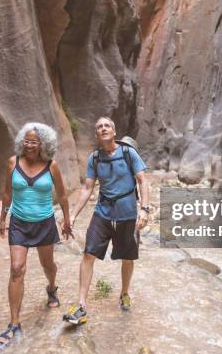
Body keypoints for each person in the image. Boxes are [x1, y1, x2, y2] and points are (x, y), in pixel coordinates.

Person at [63, 116, 149, 325]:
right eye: (99, 126)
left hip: (127, 214)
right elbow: (87, 188)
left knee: (127, 257)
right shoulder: (94, 159)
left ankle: (124, 293)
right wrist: (72, 215)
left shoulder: (129, 153)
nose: (103, 128)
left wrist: (144, 210)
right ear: (96, 134)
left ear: (114, 131)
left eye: (107, 125)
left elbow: (143, 181)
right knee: (88, 254)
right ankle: (81, 305)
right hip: (102, 213)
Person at [0, 122, 73, 349]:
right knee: (17, 268)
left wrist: (66, 220)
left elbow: (63, 195)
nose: (30, 145)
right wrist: (3, 218)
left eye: (34, 141)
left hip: (44, 223)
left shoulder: (51, 166)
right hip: (19, 223)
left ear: (43, 144)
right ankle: (14, 323)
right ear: (22, 141)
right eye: (27, 141)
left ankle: (51, 287)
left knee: (48, 264)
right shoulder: (13, 162)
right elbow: (7, 193)